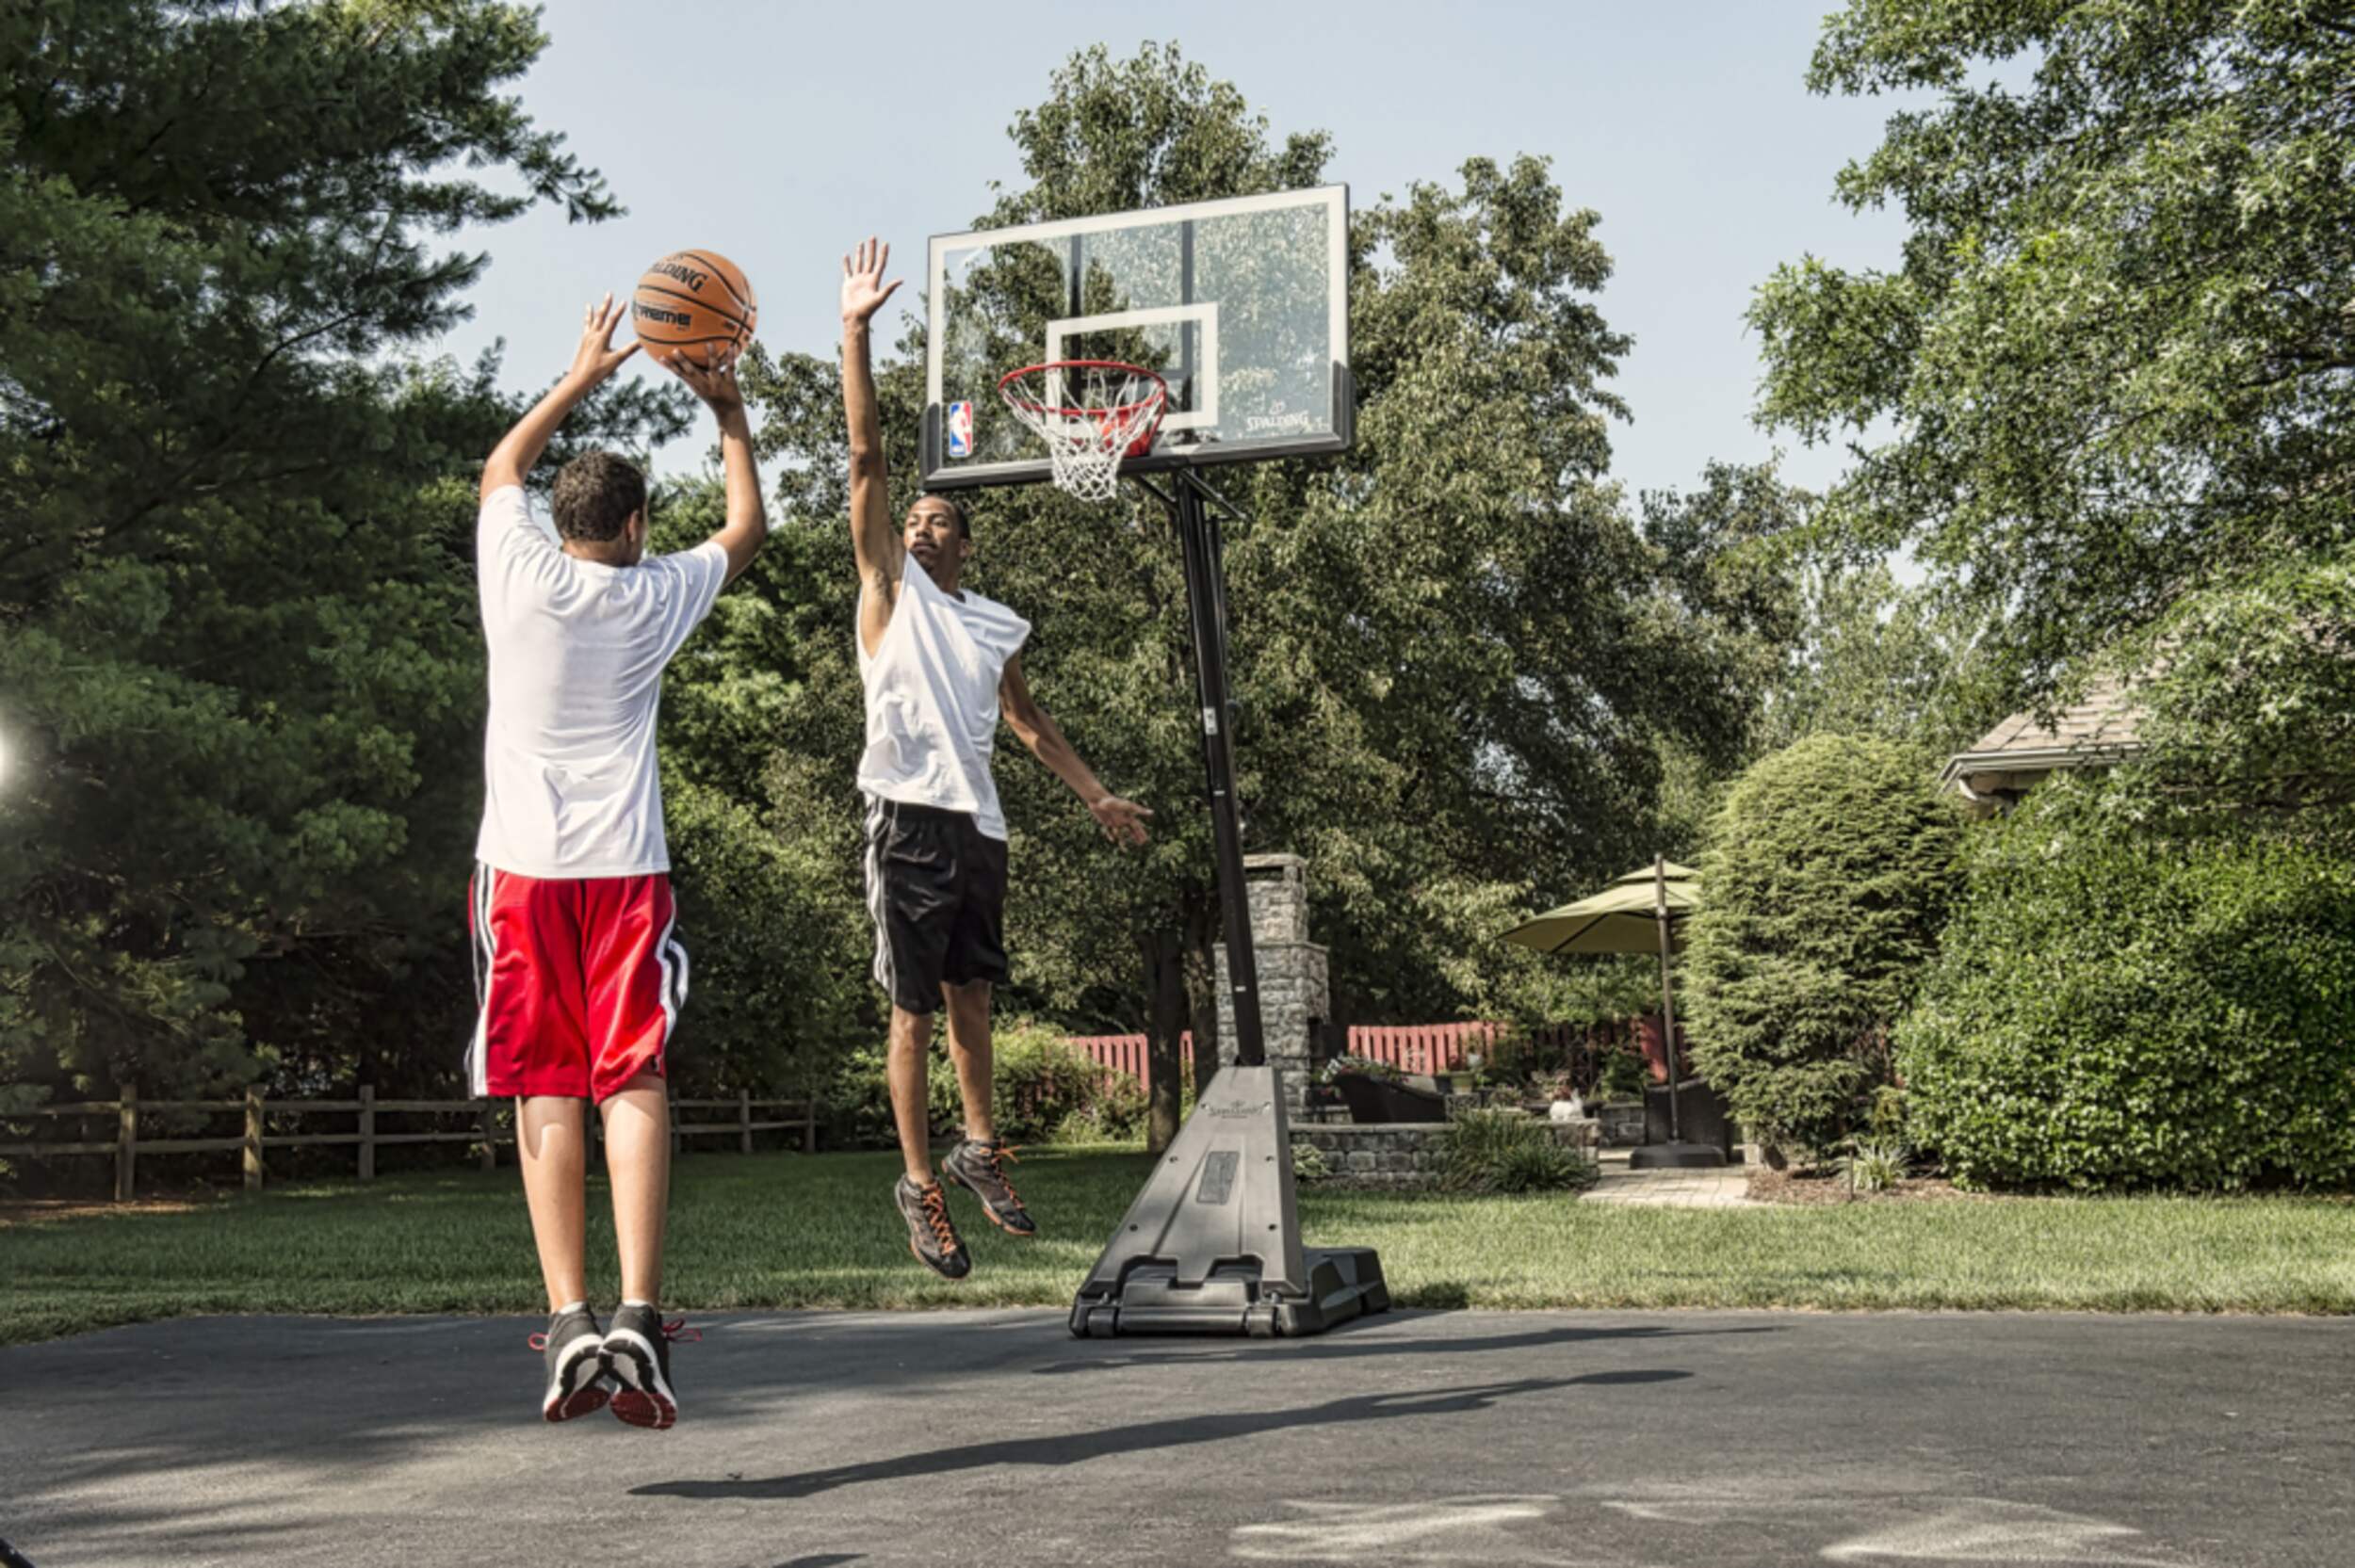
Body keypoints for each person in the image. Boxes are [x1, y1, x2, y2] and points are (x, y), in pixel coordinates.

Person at [468, 295, 766, 1428]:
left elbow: (503, 463)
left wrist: (579, 375)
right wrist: (728, 410)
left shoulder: (517, 570)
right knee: (630, 1075)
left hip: (524, 870)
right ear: (638, 524)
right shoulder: (652, 597)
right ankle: (641, 1314)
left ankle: (570, 1318)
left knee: (545, 1083)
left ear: (560, 518)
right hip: (625, 870)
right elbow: (746, 528)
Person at [838, 237, 1151, 1277]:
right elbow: (867, 462)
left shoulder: (995, 623)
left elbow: (1029, 725)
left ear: (965, 545)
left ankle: (979, 1150)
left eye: (939, 524)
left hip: (979, 823)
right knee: (912, 1010)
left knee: (974, 996)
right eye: (911, 523)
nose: (920, 530)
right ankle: (919, 1185)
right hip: (906, 815)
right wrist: (855, 334)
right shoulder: (889, 592)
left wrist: (1096, 793)